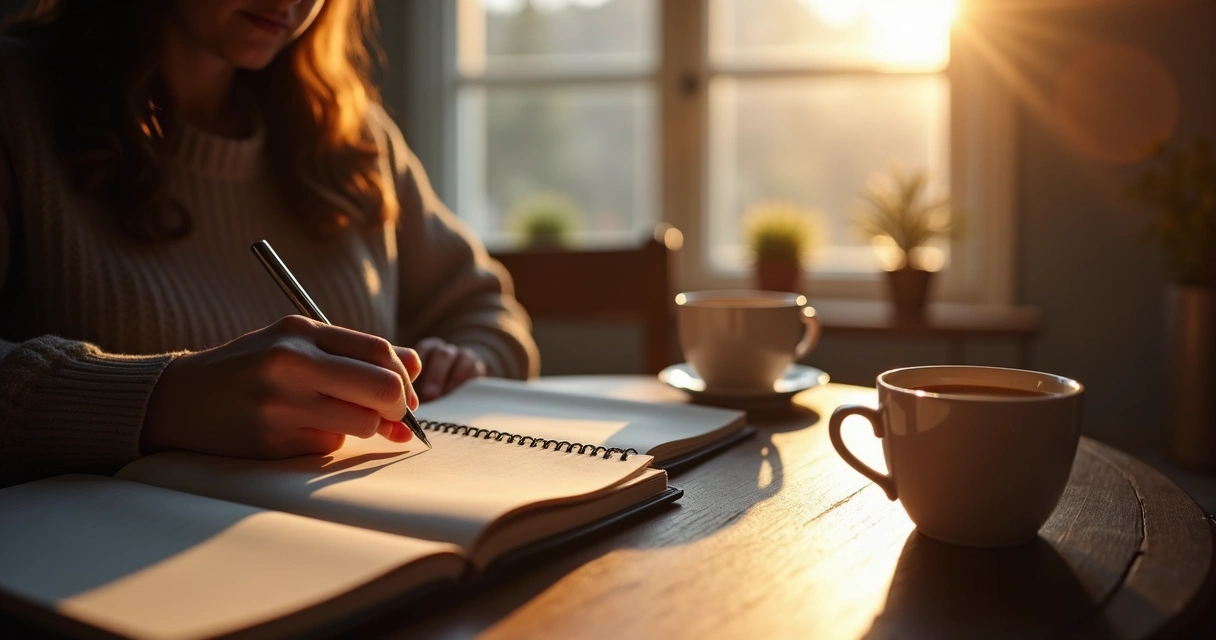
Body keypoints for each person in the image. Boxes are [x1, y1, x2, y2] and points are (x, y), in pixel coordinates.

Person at [0, 0, 539, 487]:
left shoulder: (350, 138)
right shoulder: (16, 103)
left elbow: (488, 312)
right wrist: (163, 401)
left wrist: (466, 365)